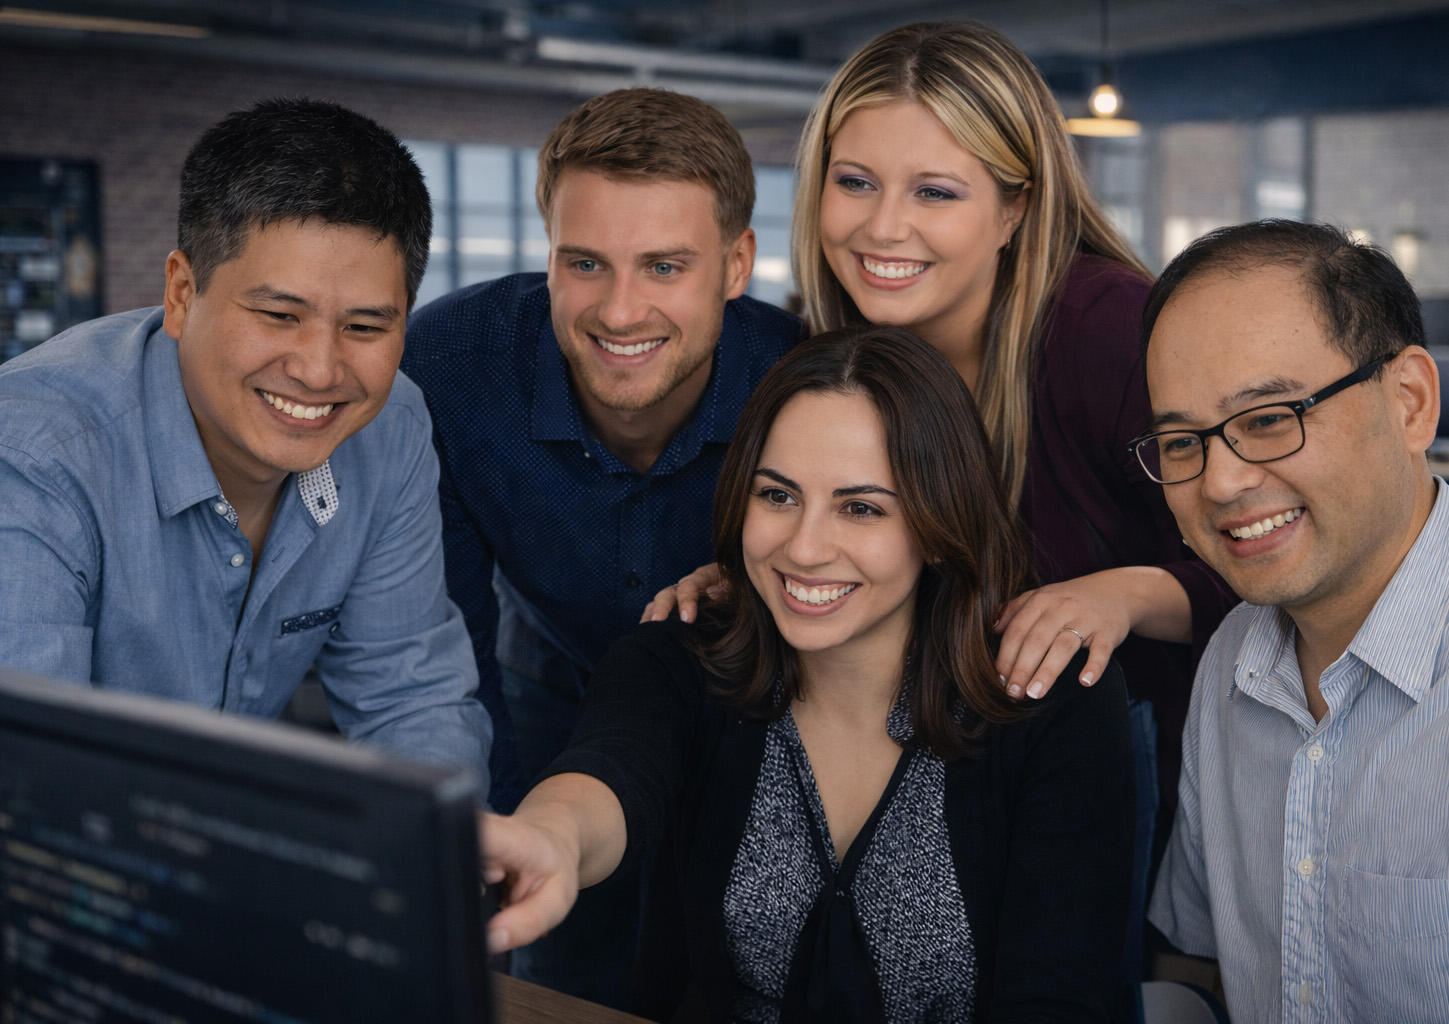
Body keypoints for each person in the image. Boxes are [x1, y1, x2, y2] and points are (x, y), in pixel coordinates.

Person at [647, 21, 1236, 810]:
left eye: (934, 192)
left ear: (1013, 210)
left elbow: (1256, 567)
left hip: (1143, 771)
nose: (882, 227)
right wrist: (773, 572)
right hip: (955, 769)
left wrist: (1119, 596)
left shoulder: (1112, 331)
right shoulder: (840, 353)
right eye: (854, 182)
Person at [484, 325, 1136, 1023]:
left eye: (860, 508)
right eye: (777, 496)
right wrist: (550, 838)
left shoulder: (1048, 698)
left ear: (939, 522)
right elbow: (613, 769)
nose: (804, 546)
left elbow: (1060, 1000)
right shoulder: (677, 656)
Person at [400, 87, 802, 1003]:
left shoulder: (798, 382)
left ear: (736, 264)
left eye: (664, 266)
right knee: (560, 948)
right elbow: (442, 652)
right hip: (545, 676)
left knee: (737, 963)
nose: (620, 312)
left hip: (749, 692)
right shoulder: (449, 372)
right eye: (585, 263)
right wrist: (482, 858)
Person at [0, 99, 491, 790]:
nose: (320, 371)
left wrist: (438, 870)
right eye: (278, 315)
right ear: (180, 293)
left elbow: (409, 701)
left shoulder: (388, 425)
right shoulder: (32, 456)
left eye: (365, 327)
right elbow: (28, 780)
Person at [1141, 220, 1447, 1019]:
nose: (1221, 481)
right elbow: (1197, 964)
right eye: (1181, 441)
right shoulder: (1232, 659)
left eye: (1270, 418)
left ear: (1409, 402)